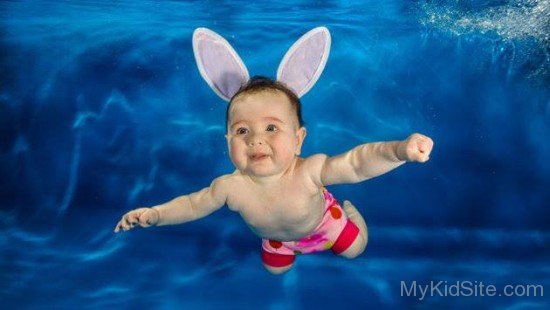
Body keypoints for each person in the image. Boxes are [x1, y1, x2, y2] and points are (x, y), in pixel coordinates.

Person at [114, 27, 434, 275]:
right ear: (227, 140)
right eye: (242, 131)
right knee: (274, 269)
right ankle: (287, 251)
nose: (256, 140)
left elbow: (355, 164)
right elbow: (192, 205)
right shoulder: (230, 187)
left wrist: (399, 151)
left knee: (355, 249)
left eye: (271, 128)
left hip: (325, 225)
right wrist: (155, 215)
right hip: (278, 240)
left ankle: (351, 214)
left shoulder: (309, 171)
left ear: (298, 139)